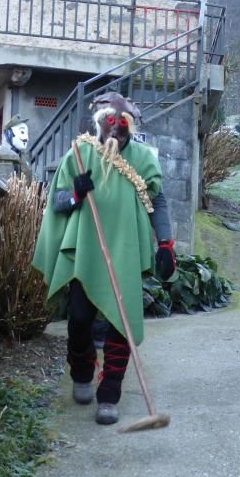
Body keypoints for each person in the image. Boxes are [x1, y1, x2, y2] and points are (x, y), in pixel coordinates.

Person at [32, 91, 176, 425]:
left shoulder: (143, 158)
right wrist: (77, 194)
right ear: (100, 124)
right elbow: (57, 202)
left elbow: (159, 200)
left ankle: (110, 393)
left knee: (119, 326)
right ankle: (82, 371)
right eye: (110, 125)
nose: (115, 132)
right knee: (80, 318)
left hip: (125, 252)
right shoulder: (81, 153)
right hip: (86, 250)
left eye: (121, 126)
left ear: (129, 127)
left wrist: (165, 242)